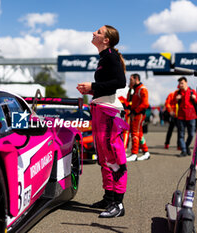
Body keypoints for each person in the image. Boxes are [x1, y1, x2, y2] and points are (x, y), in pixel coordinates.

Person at [77, 25, 128, 218]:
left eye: (98, 32)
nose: (93, 33)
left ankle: (118, 203)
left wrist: (93, 85)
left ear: (106, 40)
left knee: (114, 156)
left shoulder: (111, 57)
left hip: (109, 112)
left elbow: (120, 83)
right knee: (104, 157)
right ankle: (109, 198)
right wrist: (89, 90)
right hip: (100, 109)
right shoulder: (104, 58)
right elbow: (107, 87)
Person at [126, 73, 151, 161]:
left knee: (134, 133)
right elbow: (128, 100)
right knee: (139, 134)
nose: (129, 81)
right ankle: (146, 152)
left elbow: (145, 104)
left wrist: (135, 111)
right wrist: (130, 89)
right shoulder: (135, 89)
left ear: (136, 79)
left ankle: (134, 153)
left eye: (131, 80)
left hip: (139, 114)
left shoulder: (142, 89)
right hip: (135, 114)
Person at [175, 77, 197, 157]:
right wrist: (176, 99)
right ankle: (184, 151)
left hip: (191, 115)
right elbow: (173, 102)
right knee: (181, 135)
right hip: (181, 116)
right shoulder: (178, 92)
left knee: (191, 134)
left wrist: (195, 98)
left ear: (186, 82)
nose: (180, 85)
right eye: (179, 83)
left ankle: (186, 146)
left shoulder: (192, 91)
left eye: (182, 83)